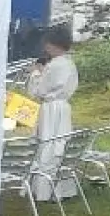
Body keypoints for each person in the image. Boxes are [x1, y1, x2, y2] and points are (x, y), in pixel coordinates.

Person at [27, 25, 80, 201]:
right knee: (59, 143)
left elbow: (39, 91)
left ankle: (45, 190)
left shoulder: (54, 65)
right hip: (63, 107)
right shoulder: (69, 63)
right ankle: (62, 188)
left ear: (53, 44)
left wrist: (35, 73)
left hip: (51, 108)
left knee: (48, 144)